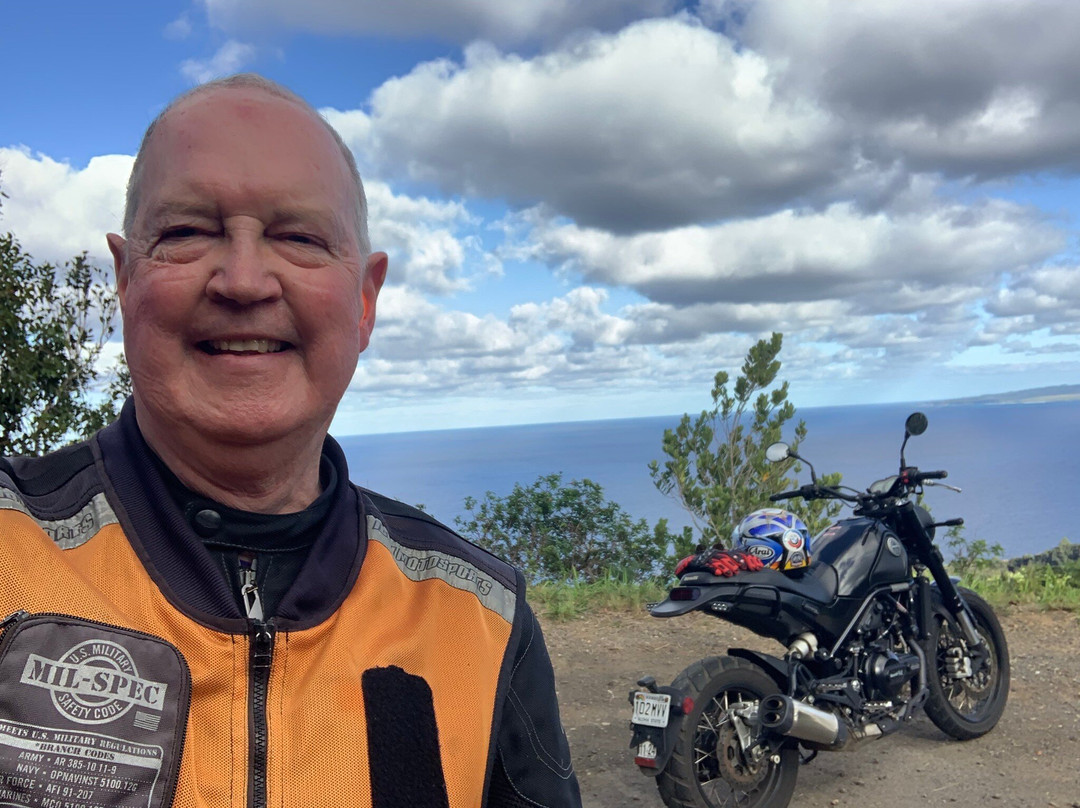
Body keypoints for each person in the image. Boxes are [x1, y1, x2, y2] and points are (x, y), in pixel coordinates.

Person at [0, 74, 581, 808]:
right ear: (125, 277)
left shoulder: (479, 615)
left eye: (300, 238)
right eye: (187, 232)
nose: (244, 281)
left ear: (365, 301)